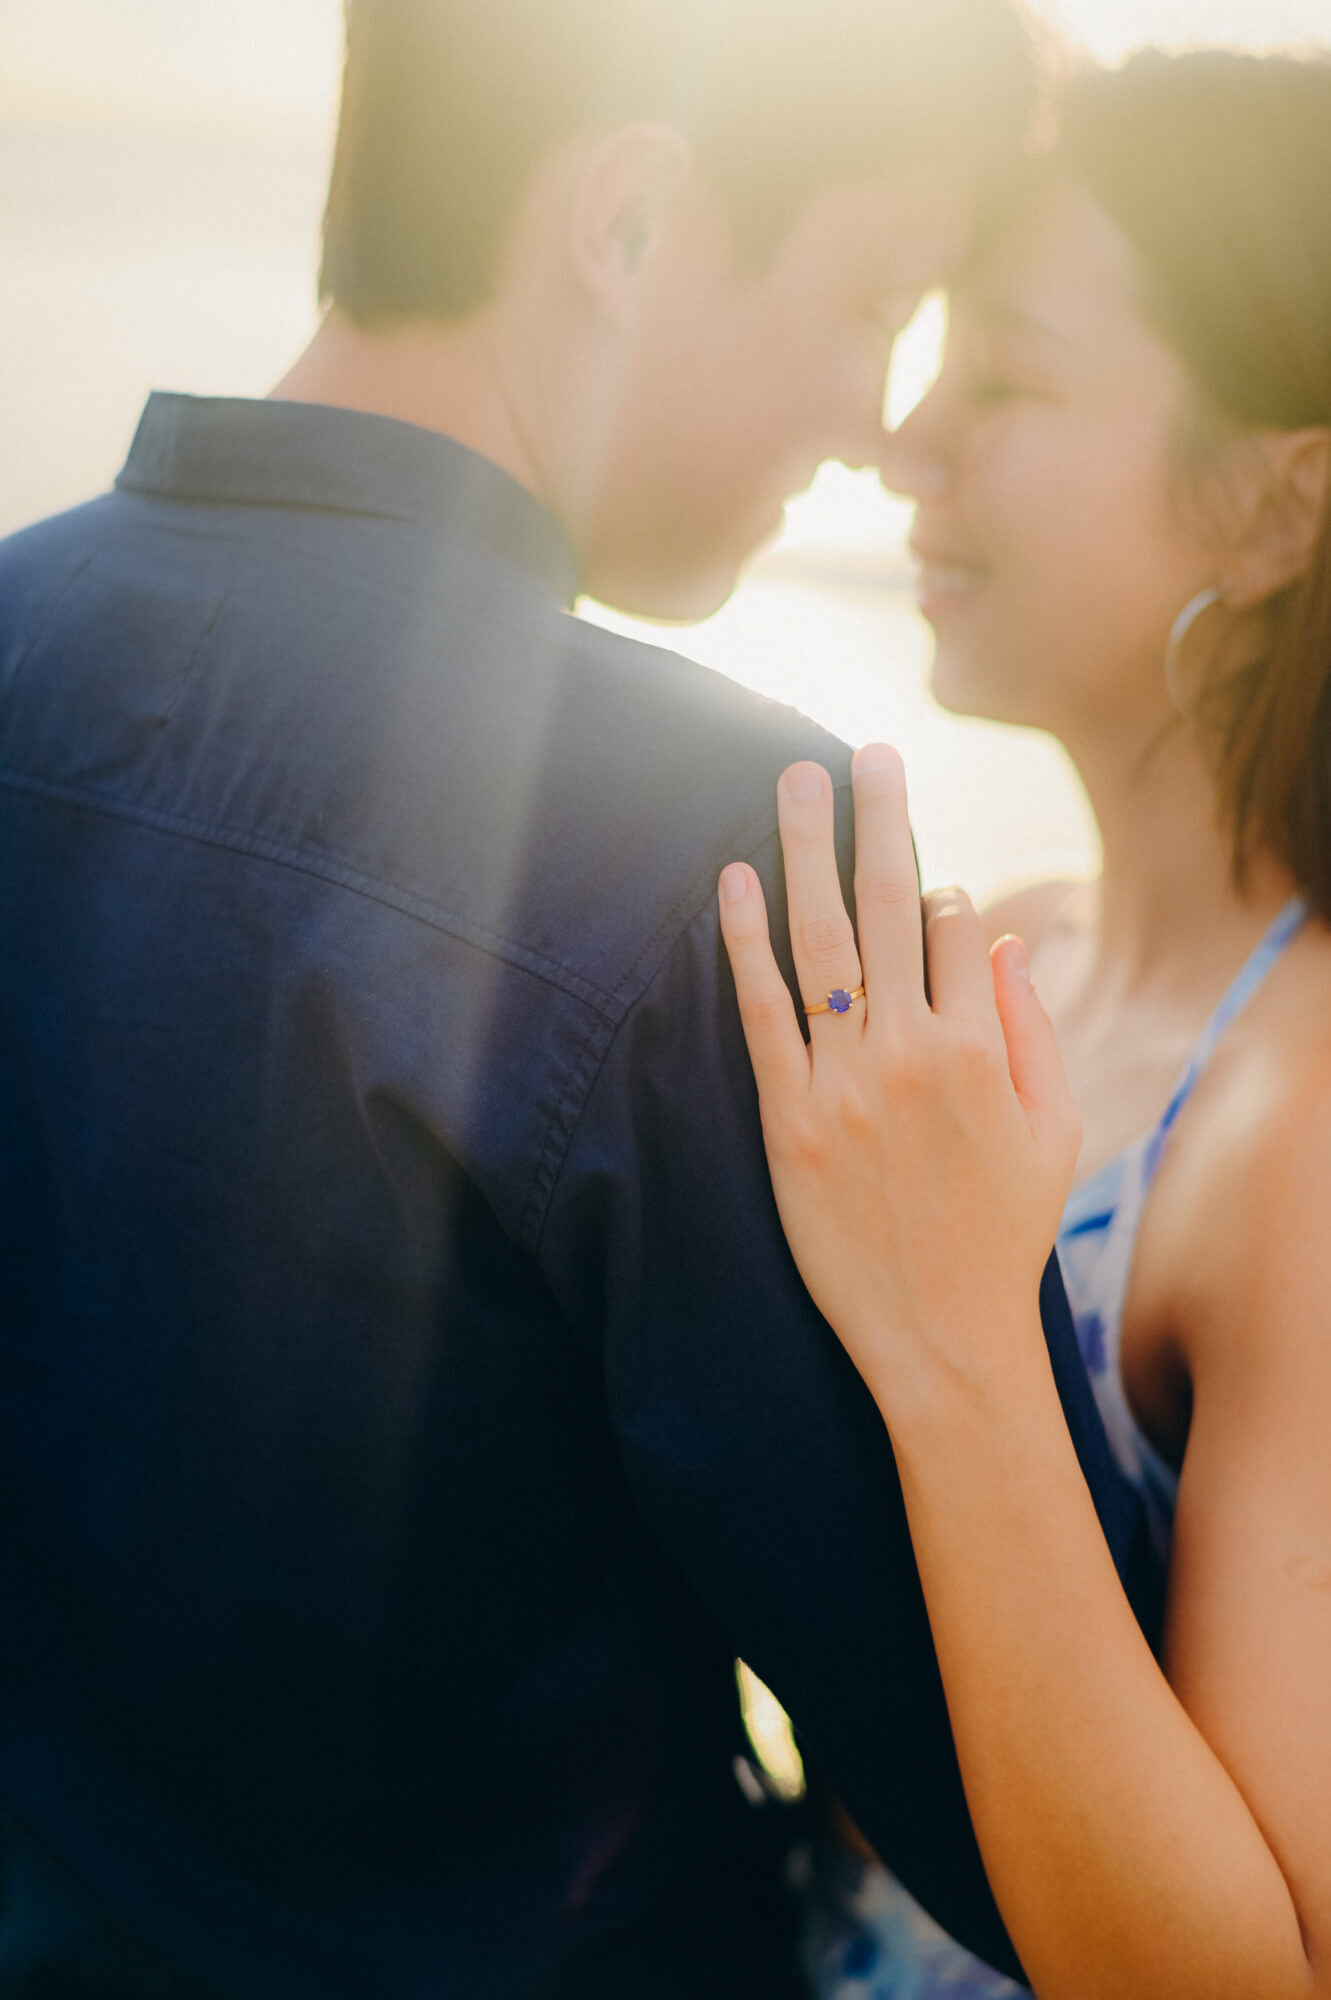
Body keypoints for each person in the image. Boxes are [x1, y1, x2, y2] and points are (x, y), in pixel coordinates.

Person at [0, 4, 1162, 1994]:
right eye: (874, 295)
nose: (876, 416)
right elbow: (1046, 1805)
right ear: (624, 222)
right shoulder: (719, 851)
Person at [719, 47, 1331, 1999]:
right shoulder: (1029, 964)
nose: (906, 439)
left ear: (1270, 504)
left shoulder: (1303, 1120)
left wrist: (955, 1333)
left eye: (1006, 380)